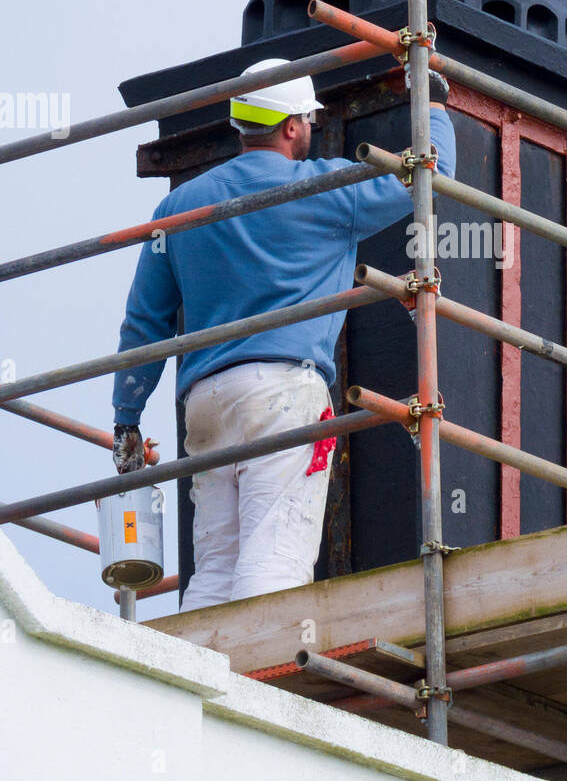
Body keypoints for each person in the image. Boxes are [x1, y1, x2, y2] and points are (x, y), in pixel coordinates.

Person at [111, 58, 455, 611]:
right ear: (293, 125)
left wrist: (126, 419)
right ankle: (257, 666)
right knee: (276, 555)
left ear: (240, 122)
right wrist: (432, 102)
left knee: (215, 566)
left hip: (204, 402)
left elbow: (143, 323)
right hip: (283, 393)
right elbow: (429, 173)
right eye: (308, 120)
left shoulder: (177, 208)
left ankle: (203, 666)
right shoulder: (326, 188)